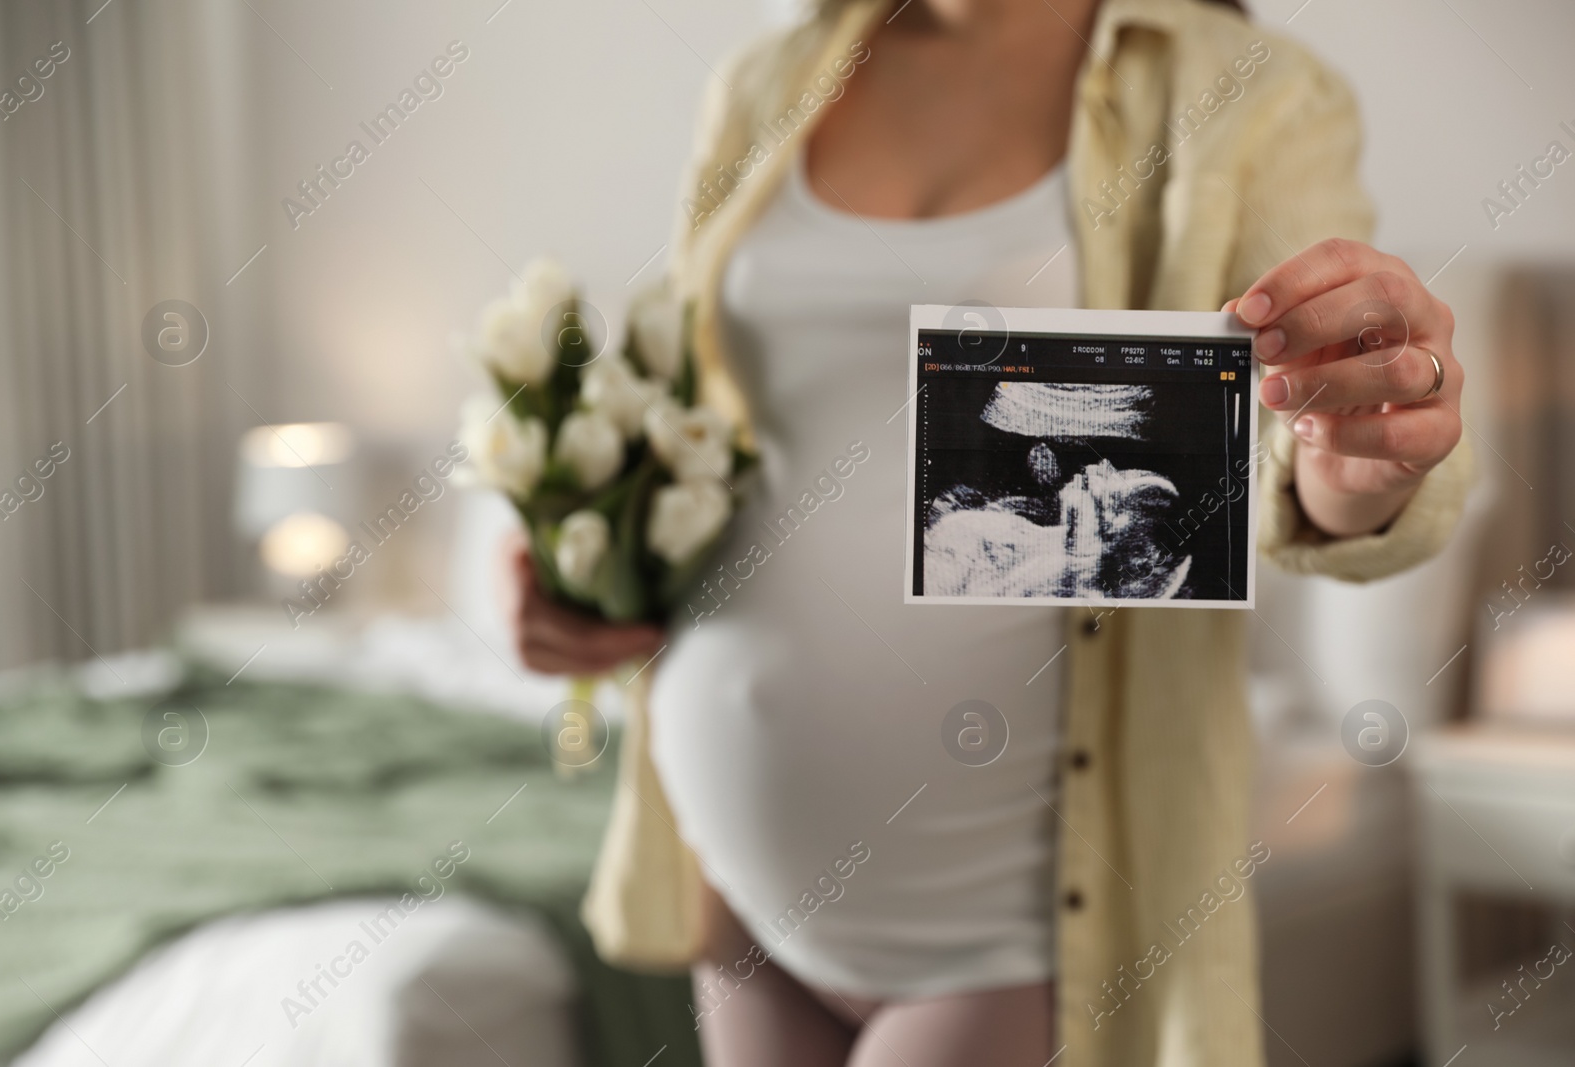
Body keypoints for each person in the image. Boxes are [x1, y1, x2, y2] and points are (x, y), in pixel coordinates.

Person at [504, 0, 1471, 1064]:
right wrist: (584, 582)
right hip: (739, 900)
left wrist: (1361, 456)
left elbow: (1315, 456)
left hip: (1016, 926)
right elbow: (718, 424)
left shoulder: (1249, 89)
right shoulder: (768, 78)